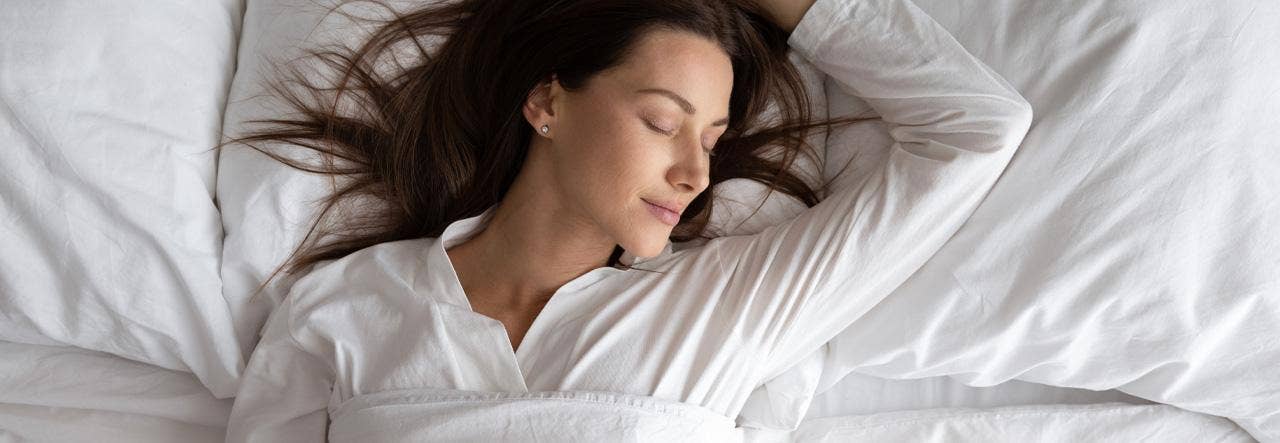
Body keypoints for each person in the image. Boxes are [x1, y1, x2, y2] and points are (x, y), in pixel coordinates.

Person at [225, 0, 1033, 440]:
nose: (694, 171)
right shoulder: (341, 308)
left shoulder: (725, 307)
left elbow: (975, 128)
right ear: (547, 102)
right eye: (660, 120)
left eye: (713, 140)